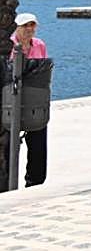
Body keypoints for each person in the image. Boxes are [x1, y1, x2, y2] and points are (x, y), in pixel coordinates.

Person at [3, 12, 49, 189]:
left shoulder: (39, 45)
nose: (29, 29)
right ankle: (7, 180)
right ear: (16, 27)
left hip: (34, 100)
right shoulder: (9, 45)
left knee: (38, 142)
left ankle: (35, 181)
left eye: (32, 25)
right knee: (7, 143)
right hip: (11, 100)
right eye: (25, 26)